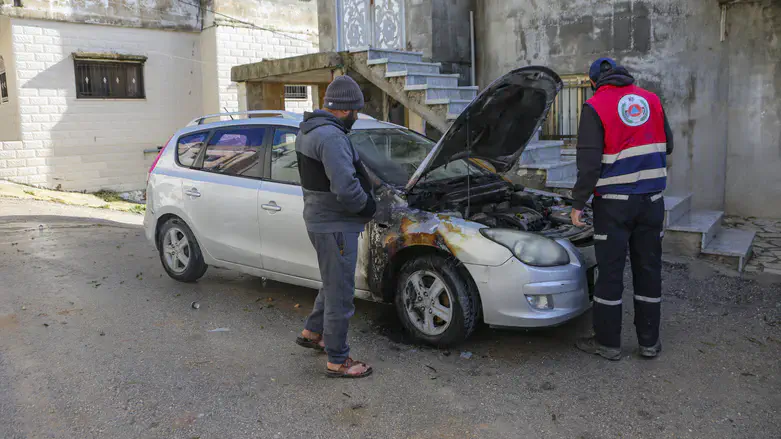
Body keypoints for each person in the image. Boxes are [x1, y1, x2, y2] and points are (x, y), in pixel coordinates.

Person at [570, 58, 674, 361]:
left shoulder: (595, 107)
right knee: (648, 268)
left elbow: (589, 166)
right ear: (625, 76)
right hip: (652, 202)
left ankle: (608, 344)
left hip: (614, 206)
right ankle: (649, 342)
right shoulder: (651, 100)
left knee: (611, 273)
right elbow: (667, 146)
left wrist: (578, 203)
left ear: (592, 83)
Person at [293, 75, 376, 378]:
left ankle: (312, 332)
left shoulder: (310, 130)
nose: (357, 116)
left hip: (320, 220)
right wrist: (369, 207)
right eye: (356, 110)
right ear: (345, 109)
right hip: (335, 225)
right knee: (341, 292)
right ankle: (338, 360)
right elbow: (345, 188)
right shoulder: (331, 137)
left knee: (332, 282)